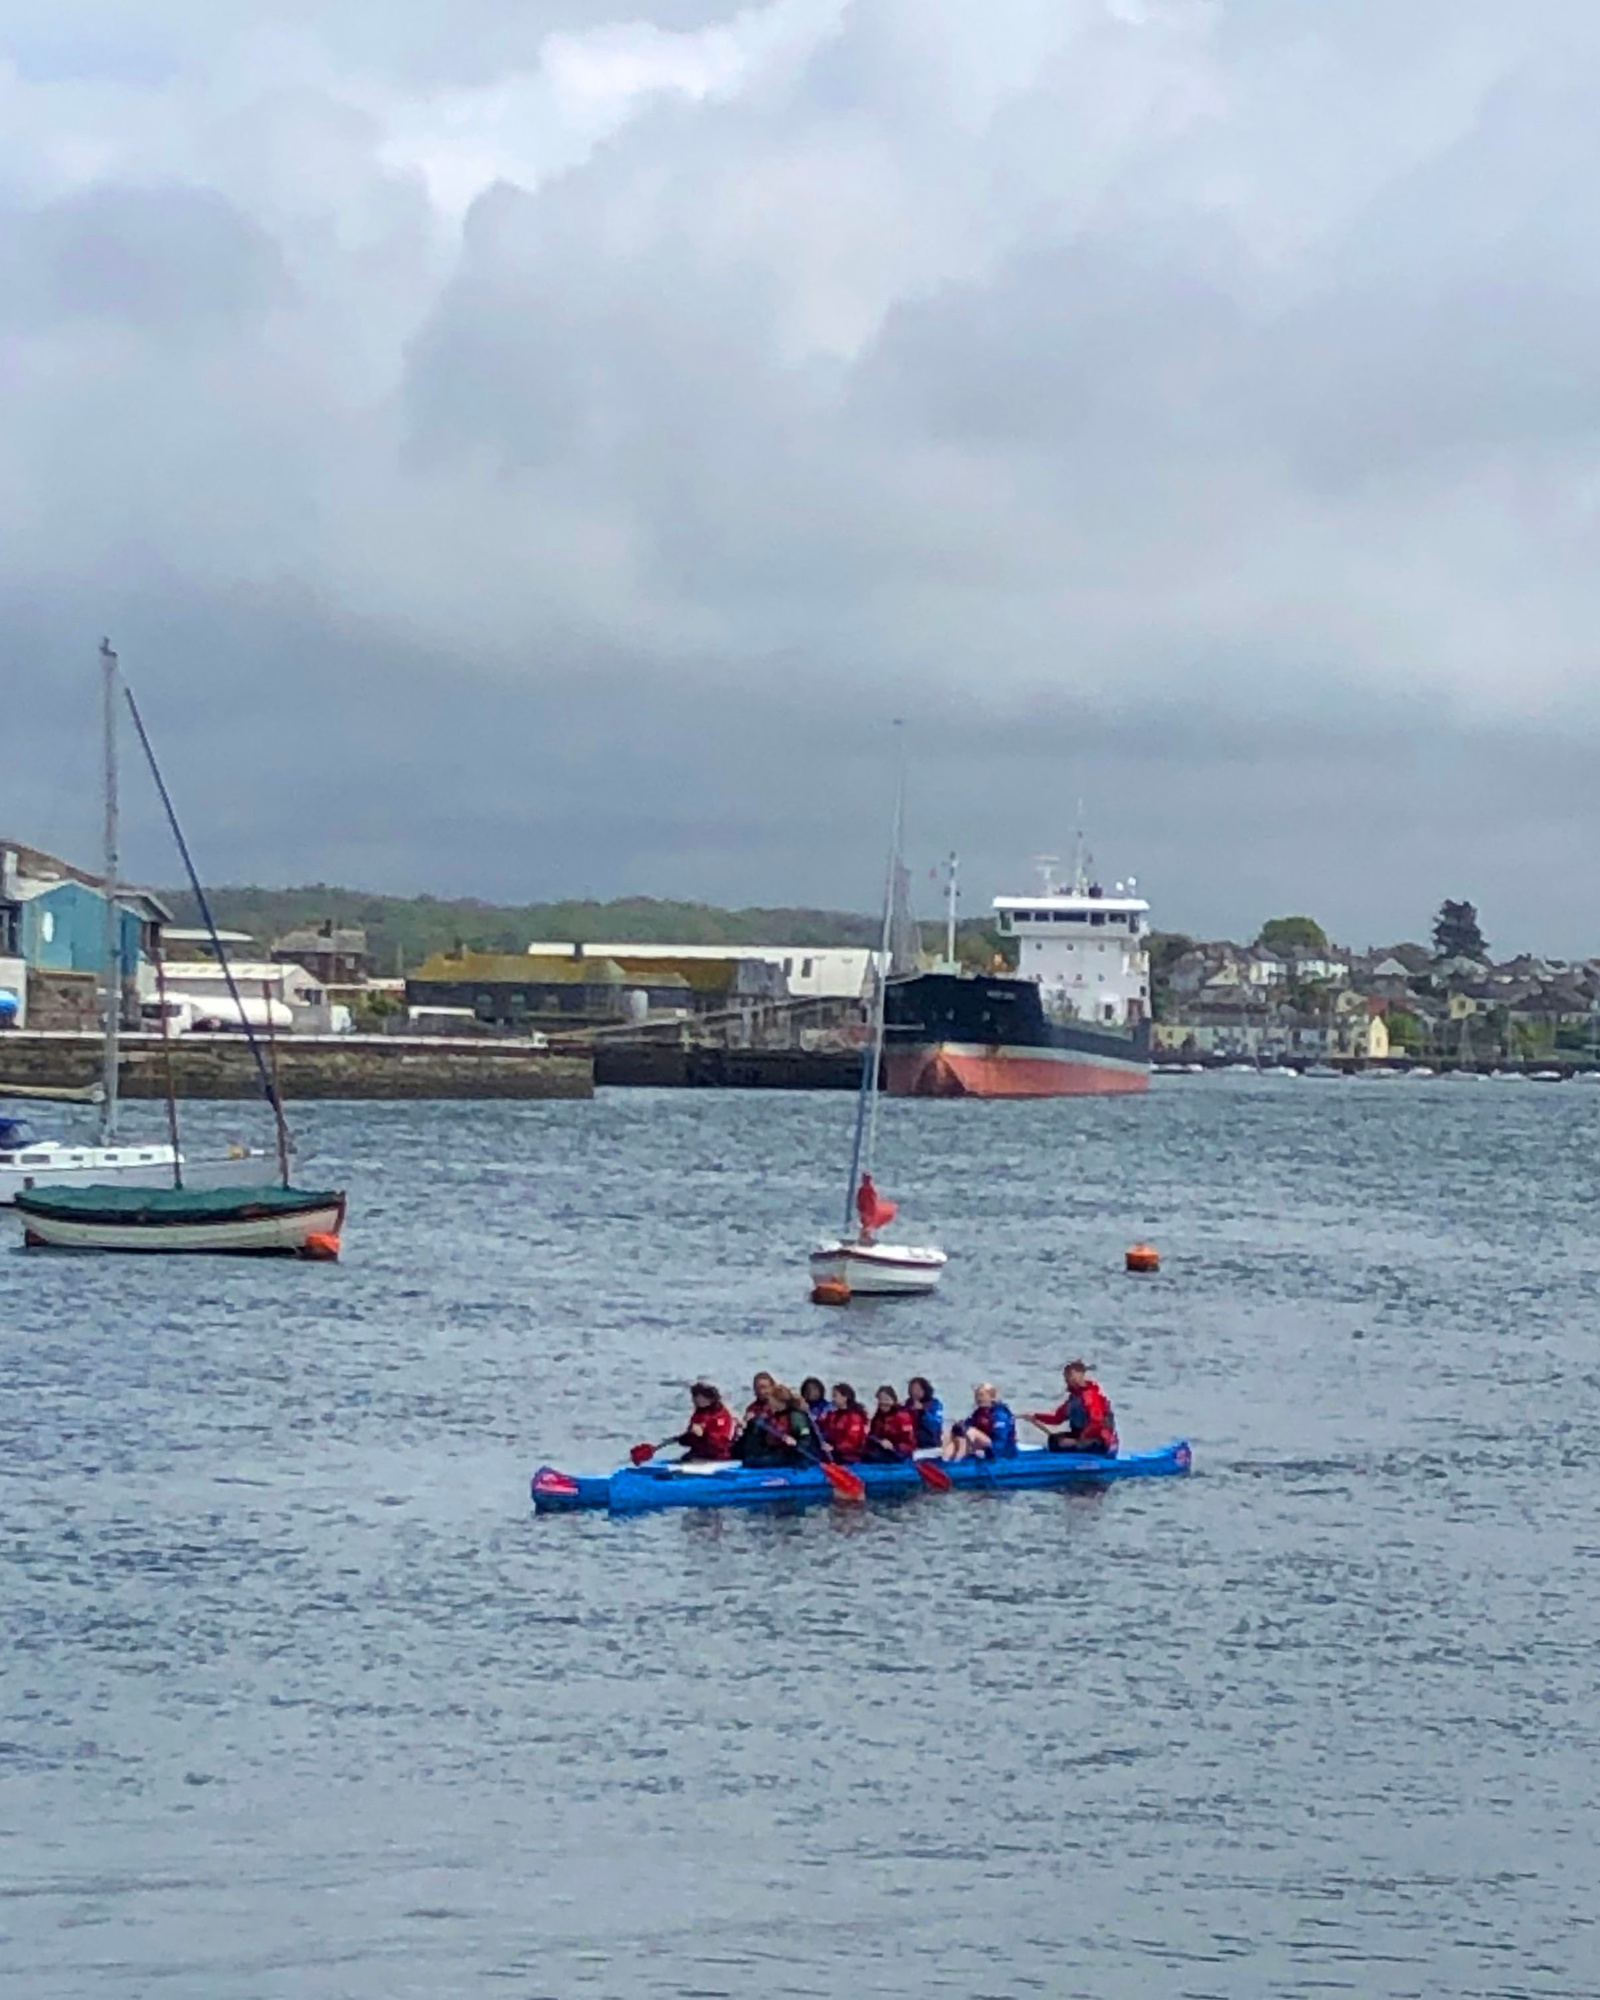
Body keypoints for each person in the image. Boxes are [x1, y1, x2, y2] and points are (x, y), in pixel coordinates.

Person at [1024, 1360, 1118, 1456]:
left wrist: (1078, 1440)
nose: (1068, 1379)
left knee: (1064, 1444)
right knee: (1054, 1440)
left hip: (1099, 1441)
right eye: (1066, 1376)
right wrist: (1036, 1416)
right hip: (1083, 1438)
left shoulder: (1091, 1396)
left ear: (1081, 1375)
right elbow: (1057, 1418)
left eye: (1071, 1375)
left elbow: (1096, 1423)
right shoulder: (1074, 1399)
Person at [738, 1380, 816, 1468]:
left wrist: (796, 1444)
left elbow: (806, 1439)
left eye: (771, 1400)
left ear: (779, 1402)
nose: (769, 1403)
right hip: (777, 1452)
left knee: (755, 1462)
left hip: (793, 1456)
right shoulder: (769, 1415)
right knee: (750, 1460)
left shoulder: (796, 1417)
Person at [944, 1383, 1018, 1461]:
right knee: (954, 1433)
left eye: (981, 1395)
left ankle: (957, 1461)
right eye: (976, 1396)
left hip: (1001, 1453)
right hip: (986, 1447)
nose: (978, 1398)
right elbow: (965, 1426)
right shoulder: (979, 1412)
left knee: (971, 1432)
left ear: (991, 1397)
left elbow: (1000, 1441)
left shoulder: (1000, 1415)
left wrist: (987, 1453)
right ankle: (945, 1460)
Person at [672, 1382, 734, 1461]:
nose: (693, 1400)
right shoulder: (699, 1414)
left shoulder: (721, 1416)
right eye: (693, 1396)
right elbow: (693, 1439)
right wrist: (686, 1438)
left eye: (696, 1396)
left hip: (718, 1456)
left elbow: (720, 1443)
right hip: (699, 1453)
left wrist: (704, 1434)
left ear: (708, 1398)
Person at [863, 1384, 917, 1462]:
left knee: (874, 1456)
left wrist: (893, 1446)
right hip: (881, 1449)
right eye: (880, 1399)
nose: (883, 1402)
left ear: (893, 1400)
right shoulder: (878, 1417)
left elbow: (909, 1443)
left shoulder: (902, 1417)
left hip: (898, 1453)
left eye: (886, 1399)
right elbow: (872, 1435)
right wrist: (879, 1441)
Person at [819, 1382, 869, 1463]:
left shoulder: (854, 1418)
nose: (833, 1399)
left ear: (845, 1397)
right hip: (833, 1452)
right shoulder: (832, 1415)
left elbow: (852, 1441)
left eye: (835, 1396)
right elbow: (820, 1426)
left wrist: (834, 1448)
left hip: (849, 1456)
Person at [905, 1376, 944, 1451]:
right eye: (912, 1389)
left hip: (930, 1441)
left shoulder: (934, 1404)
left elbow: (934, 1424)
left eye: (918, 1389)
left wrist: (922, 1410)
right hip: (912, 1441)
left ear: (925, 1390)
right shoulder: (908, 1404)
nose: (915, 1392)